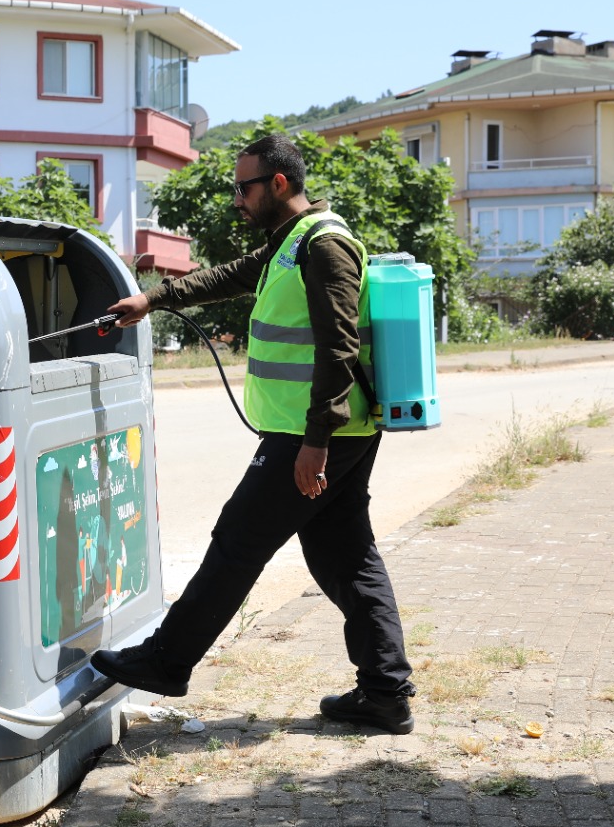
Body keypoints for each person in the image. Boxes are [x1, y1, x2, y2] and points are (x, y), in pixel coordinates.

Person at [90, 134, 415, 734]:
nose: (237, 198)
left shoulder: (326, 245)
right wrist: (153, 299)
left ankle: (168, 660)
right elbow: (236, 275)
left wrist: (317, 441)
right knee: (346, 557)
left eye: (245, 187)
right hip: (317, 432)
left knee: (238, 541)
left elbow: (339, 349)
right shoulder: (290, 242)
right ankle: (385, 694)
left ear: (280, 184)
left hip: (316, 435)